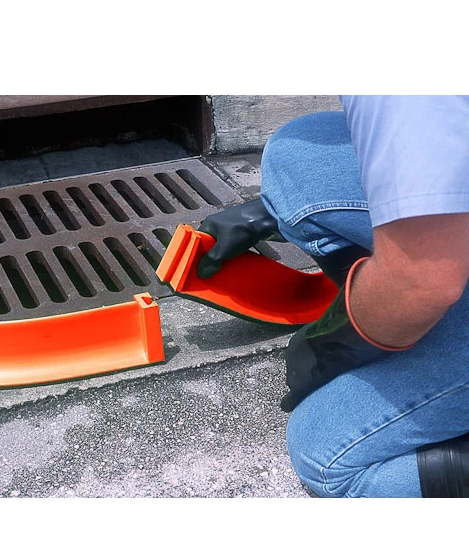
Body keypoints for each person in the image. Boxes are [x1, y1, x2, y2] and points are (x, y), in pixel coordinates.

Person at [197, 96, 469, 497]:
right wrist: (277, 214)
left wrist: (331, 342)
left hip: (429, 278)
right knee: (295, 155)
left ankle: (402, 314)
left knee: (325, 454)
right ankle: (399, 307)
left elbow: (423, 279)